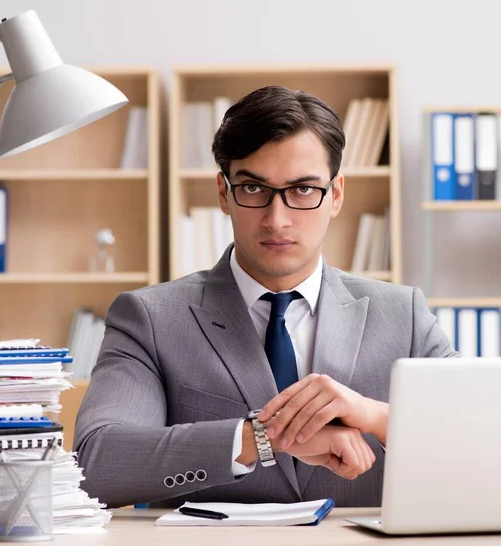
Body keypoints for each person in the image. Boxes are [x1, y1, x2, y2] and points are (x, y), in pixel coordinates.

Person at [74, 85, 457, 509]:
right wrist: (263, 436)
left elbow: (481, 435)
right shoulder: (150, 317)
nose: (278, 219)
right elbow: (96, 465)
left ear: (336, 195)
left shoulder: (402, 315)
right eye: (254, 189)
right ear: (224, 193)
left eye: (303, 190)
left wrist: (378, 417)